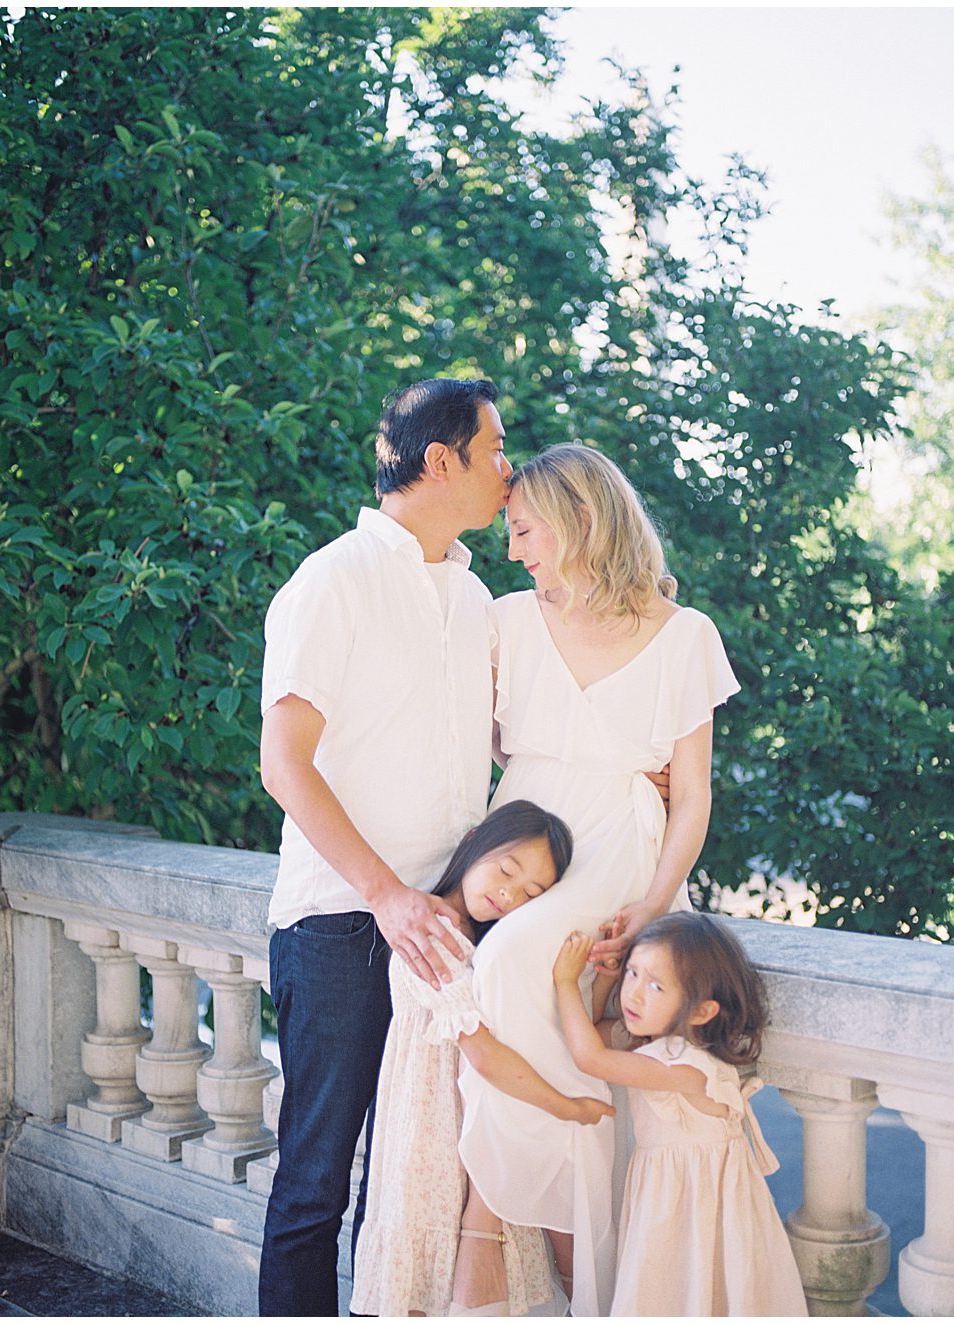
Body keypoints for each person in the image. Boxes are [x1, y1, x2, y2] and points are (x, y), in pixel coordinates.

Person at [456, 444, 740, 1316]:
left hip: (624, 853)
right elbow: (491, 746)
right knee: (506, 970)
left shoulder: (685, 635)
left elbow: (690, 799)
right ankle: (529, 1238)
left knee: (529, 975)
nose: (514, 550)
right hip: (533, 837)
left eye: (526, 529)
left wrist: (650, 908)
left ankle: (516, 1247)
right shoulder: (506, 619)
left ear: (582, 521)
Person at [257, 378, 512, 1317]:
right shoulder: (332, 580)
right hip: (340, 924)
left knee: (408, 1193)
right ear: (439, 461)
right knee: (315, 1186)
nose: (508, 472)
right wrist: (384, 896)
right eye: (495, 450)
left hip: (447, 930)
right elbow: (284, 764)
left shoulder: (480, 596)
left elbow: (513, 743)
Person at [350, 800, 615, 1319]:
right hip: (431, 1127)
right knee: (427, 1280)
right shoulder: (429, 930)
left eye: (529, 894)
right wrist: (564, 1106)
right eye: (506, 870)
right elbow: (482, 1052)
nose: (507, 894)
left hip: (474, 1120)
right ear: (474, 841)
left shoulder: (489, 947)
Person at [553, 914, 808, 1317]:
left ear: (702, 1011)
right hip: (672, 1195)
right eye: (633, 973)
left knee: (692, 1288)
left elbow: (589, 1056)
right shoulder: (651, 1040)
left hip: (697, 1205)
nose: (634, 995)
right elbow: (595, 1030)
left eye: (655, 985)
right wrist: (605, 979)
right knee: (669, 1287)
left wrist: (566, 982)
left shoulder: (687, 1066)